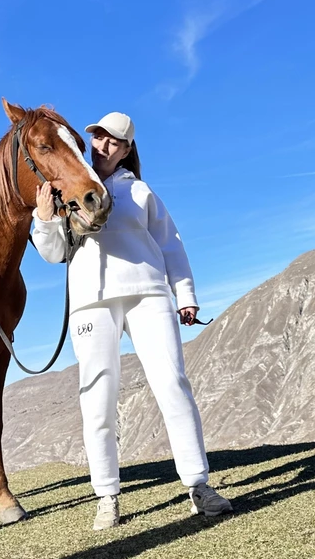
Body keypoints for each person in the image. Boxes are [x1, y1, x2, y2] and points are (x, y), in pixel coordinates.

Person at [32, 112, 233, 530]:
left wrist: (186, 295)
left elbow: (170, 245)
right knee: (97, 399)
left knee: (172, 385)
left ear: (126, 150)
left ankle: (199, 486)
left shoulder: (140, 192)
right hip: (91, 303)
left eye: (113, 142)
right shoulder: (65, 188)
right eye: (99, 138)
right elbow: (52, 254)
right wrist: (44, 218)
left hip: (148, 295)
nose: (103, 146)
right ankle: (107, 496)